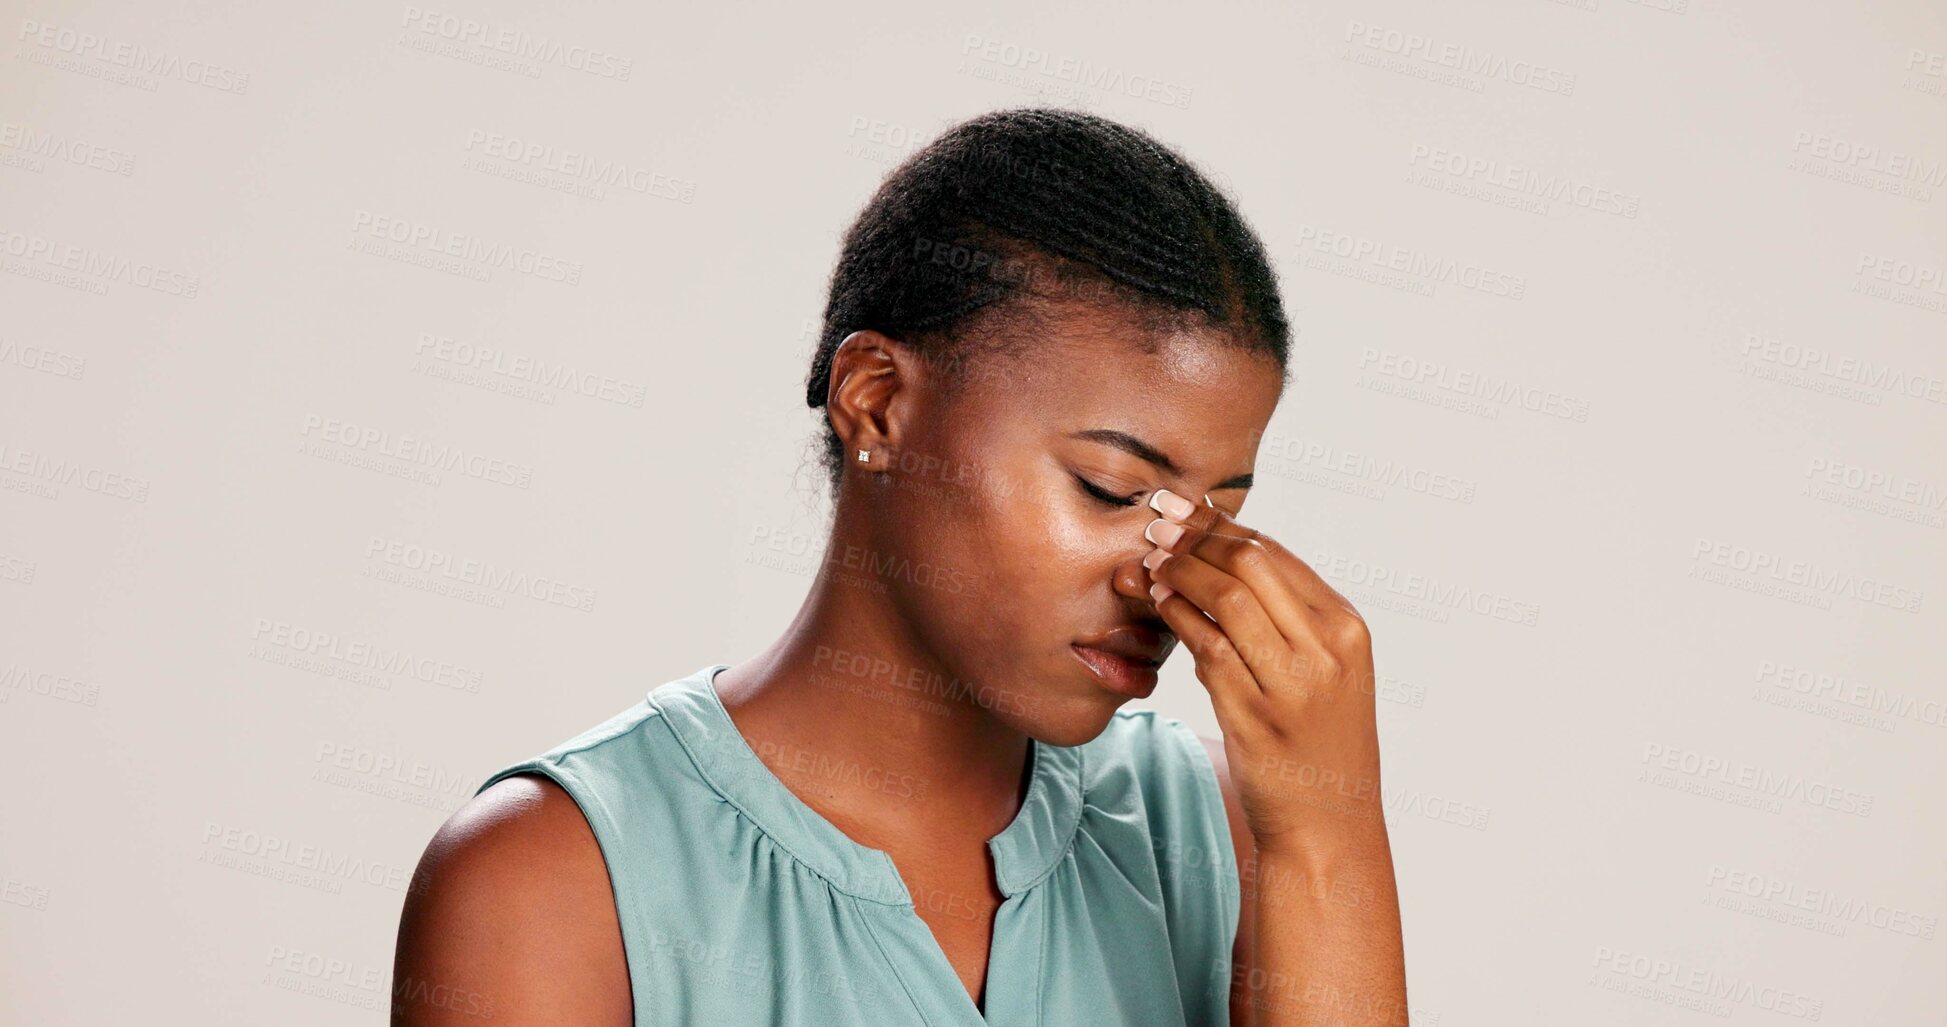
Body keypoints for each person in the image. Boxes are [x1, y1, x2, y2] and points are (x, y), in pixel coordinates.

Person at [393, 106, 1406, 1026]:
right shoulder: (551, 883)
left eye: (1217, 517)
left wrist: (1331, 838)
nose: (1166, 574)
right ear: (878, 402)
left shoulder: (1218, 829)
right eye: (1109, 488)